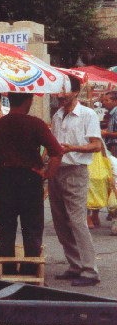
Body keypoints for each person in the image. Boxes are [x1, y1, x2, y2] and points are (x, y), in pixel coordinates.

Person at [0, 92, 63, 275]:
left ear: (9, 101)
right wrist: (46, 175)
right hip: (30, 180)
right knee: (32, 229)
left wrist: (1, 175)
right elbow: (57, 152)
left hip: (5, 180)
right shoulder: (35, 124)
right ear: (28, 101)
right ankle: (30, 270)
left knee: (6, 230)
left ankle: (7, 270)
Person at [50, 76, 102, 286]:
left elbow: (96, 145)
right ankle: (75, 265)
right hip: (57, 171)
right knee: (61, 222)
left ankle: (90, 270)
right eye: (59, 91)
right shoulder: (57, 116)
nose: (60, 95)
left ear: (76, 93)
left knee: (77, 221)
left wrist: (73, 148)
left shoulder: (87, 115)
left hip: (76, 171)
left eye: (65, 91)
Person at [101, 90, 117, 157]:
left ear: (115, 101)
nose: (104, 103)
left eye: (106, 100)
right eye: (103, 100)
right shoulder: (112, 113)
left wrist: (105, 133)